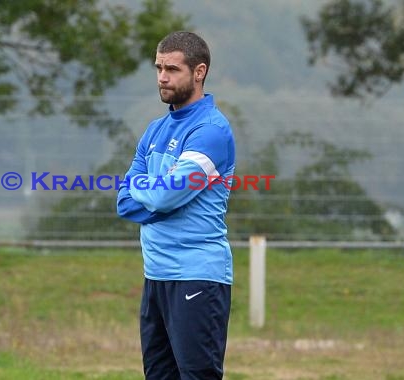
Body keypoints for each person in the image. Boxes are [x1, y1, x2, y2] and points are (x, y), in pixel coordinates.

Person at [116, 31, 236, 379]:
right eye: (158, 68)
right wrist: (158, 194)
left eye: (172, 69)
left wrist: (156, 194)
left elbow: (163, 196)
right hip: (155, 275)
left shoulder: (211, 130)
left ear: (199, 72)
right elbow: (125, 201)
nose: (162, 77)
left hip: (197, 275)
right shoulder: (155, 130)